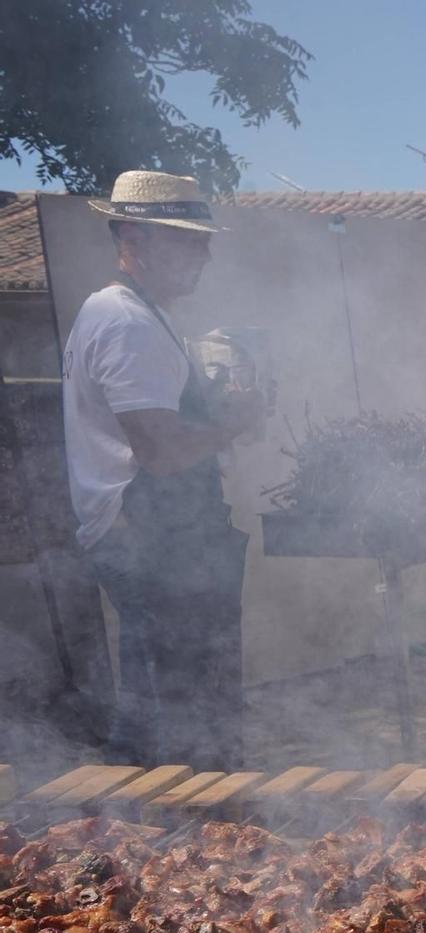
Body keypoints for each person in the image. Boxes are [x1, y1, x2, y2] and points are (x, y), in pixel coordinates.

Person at [63, 171, 260, 772]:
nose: (203, 253)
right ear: (133, 237)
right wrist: (236, 422)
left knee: (157, 705)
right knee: (174, 709)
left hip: (161, 537)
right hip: (146, 538)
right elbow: (161, 450)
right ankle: (175, 835)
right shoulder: (126, 321)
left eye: (202, 239)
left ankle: (153, 828)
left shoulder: (141, 316)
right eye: (184, 238)